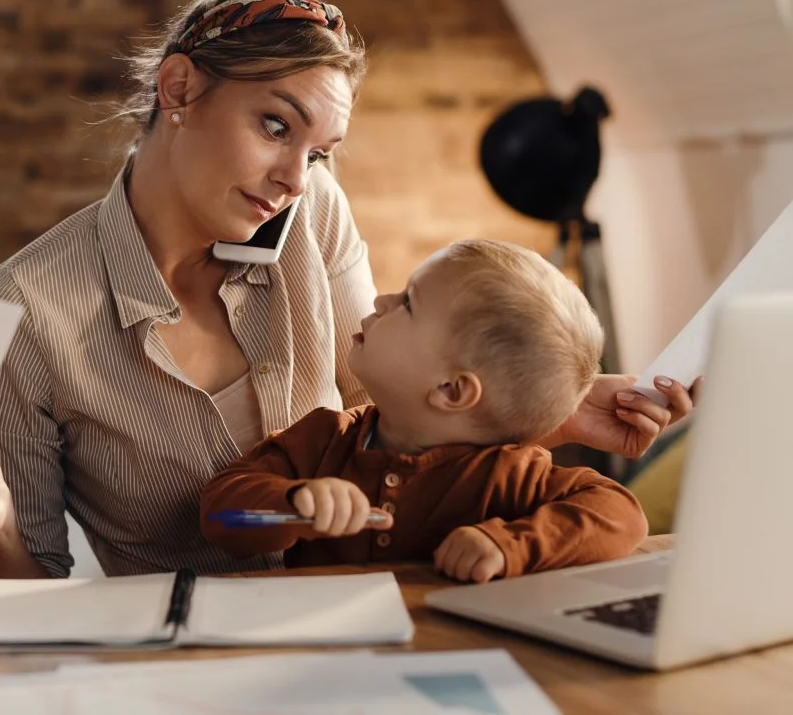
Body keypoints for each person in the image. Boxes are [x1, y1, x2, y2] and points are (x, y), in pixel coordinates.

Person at [0, 0, 696, 588]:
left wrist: (549, 404)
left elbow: (381, 410)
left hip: (383, 622)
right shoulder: (26, 311)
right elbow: (23, 597)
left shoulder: (313, 210)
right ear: (179, 89)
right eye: (276, 126)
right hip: (190, 670)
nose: (294, 179)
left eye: (319, 152)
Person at [201, 239, 647, 583]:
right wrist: (292, 504)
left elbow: (622, 515)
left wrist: (507, 545)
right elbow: (220, 515)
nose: (380, 302)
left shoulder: (508, 473)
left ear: (452, 390)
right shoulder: (322, 438)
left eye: (408, 303)